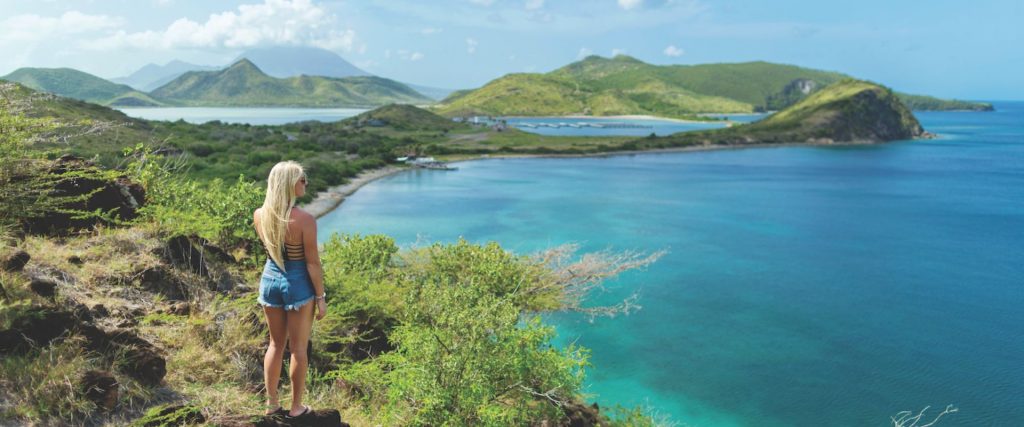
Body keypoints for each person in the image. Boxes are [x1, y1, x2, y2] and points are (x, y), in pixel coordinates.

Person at [253, 161, 327, 418]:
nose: (305, 183)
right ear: (288, 184)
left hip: (270, 280)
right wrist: (320, 297)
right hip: (298, 285)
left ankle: (271, 404)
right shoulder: (305, 220)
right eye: (301, 179)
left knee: (275, 345)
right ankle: (296, 407)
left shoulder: (260, 214)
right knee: (298, 349)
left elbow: (273, 252)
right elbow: (312, 263)